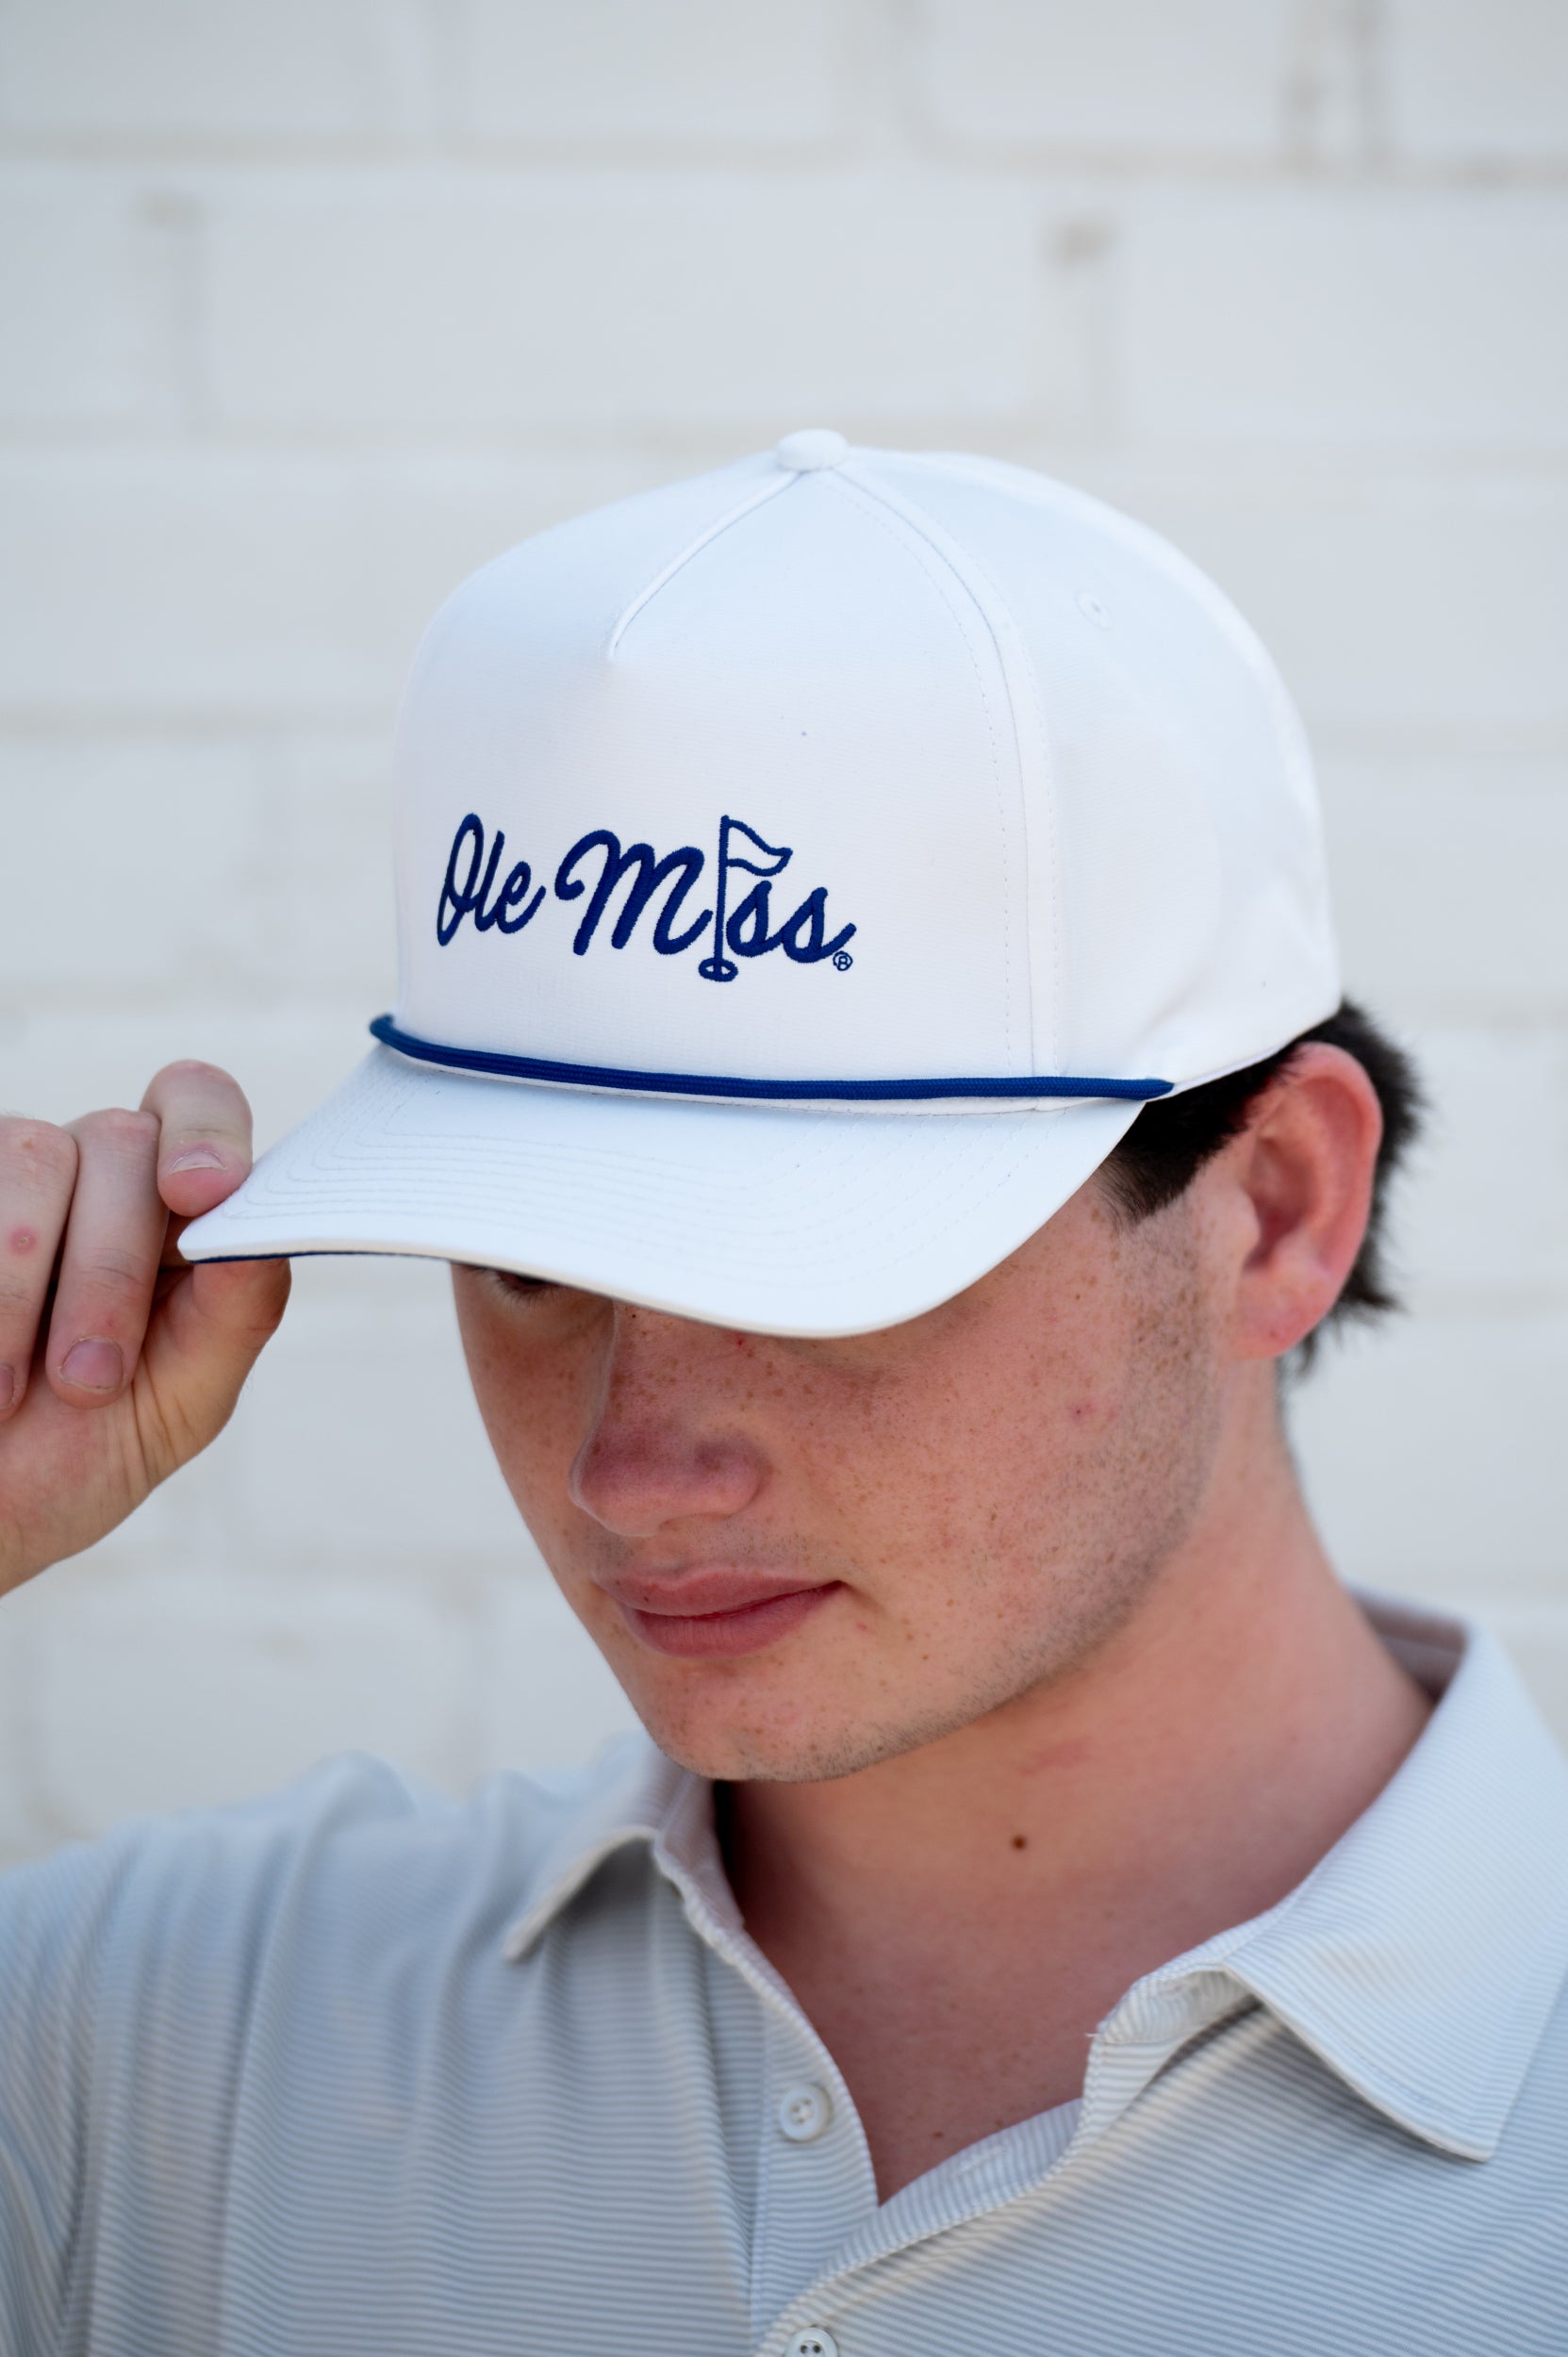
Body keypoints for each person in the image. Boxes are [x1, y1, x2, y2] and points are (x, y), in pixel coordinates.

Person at [2, 434, 1563, 2357]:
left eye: (814, 1275)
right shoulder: (151, 2056)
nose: (629, 1466)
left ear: (1275, 1209)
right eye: (531, 1262)